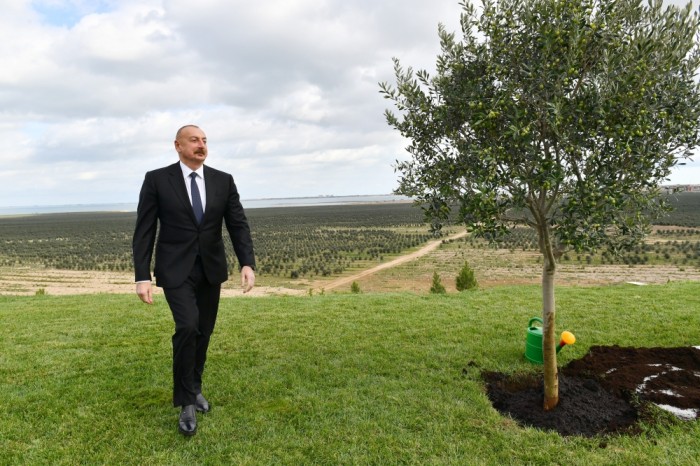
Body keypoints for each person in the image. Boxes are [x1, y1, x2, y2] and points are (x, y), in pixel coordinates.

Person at [132, 125, 256, 436]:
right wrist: (141, 276)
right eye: (194, 140)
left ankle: (195, 386)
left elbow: (238, 224)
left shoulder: (222, 180)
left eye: (204, 141)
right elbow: (144, 230)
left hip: (210, 270)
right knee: (187, 327)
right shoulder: (157, 179)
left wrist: (247, 262)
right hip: (175, 269)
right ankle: (187, 402)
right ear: (177, 145)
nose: (201, 145)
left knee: (204, 331)